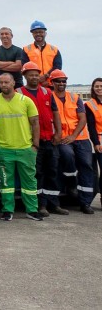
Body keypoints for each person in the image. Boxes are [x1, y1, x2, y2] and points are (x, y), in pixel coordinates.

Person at [0, 73, 42, 221]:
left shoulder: (26, 101)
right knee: (6, 183)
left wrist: (35, 145)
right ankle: (7, 210)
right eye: (1, 83)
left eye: (7, 82)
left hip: (26, 149)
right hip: (5, 150)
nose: (4, 85)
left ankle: (32, 210)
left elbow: (35, 123)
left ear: (13, 83)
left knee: (29, 182)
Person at [18, 62, 65, 216]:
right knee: (37, 174)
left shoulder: (47, 92)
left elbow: (55, 113)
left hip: (49, 140)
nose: (34, 77)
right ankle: (40, 204)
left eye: (36, 74)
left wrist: (58, 133)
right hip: (32, 142)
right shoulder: (19, 93)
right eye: (30, 74)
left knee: (52, 172)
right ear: (24, 76)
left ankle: (54, 203)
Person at [49, 70, 94, 214]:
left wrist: (74, 136)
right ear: (52, 83)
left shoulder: (75, 97)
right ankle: (71, 184)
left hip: (80, 138)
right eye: (58, 81)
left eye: (63, 81)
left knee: (86, 166)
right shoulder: (49, 97)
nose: (61, 84)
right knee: (68, 157)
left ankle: (85, 203)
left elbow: (82, 118)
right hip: (62, 138)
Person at [23, 20, 61, 85]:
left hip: (51, 84)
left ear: (45, 33)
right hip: (33, 85)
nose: (38, 34)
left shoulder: (54, 49)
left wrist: (46, 76)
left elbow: (57, 67)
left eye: (40, 32)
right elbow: (24, 68)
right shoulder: (26, 49)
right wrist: (38, 79)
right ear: (32, 34)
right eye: (35, 32)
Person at [84, 78, 102, 202]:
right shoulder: (89, 105)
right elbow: (91, 126)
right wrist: (96, 143)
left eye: (101, 86)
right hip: (99, 141)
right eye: (97, 86)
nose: (99, 88)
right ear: (93, 88)